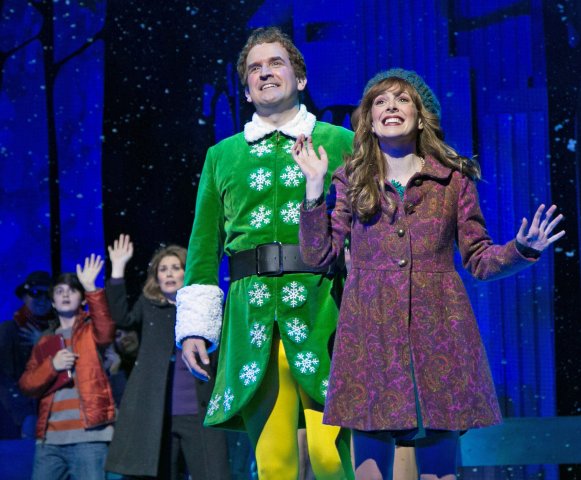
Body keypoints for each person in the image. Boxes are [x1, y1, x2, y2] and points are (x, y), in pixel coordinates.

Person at [292, 68, 565, 479]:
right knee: (370, 465)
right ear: (369, 121)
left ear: (421, 118)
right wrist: (314, 189)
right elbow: (318, 256)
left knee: (439, 468)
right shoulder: (352, 179)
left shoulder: (452, 179)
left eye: (402, 99)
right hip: (370, 333)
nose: (391, 107)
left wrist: (521, 250)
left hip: (439, 330)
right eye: (380, 101)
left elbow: (478, 258)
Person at [176, 27, 354, 479]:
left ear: (300, 78)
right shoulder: (222, 156)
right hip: (251, 317)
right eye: (255, 68)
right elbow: (203, 246)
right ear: (246, 89)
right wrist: (195, 328)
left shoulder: (341, 142)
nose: (265, 73)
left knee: (332, 456)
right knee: (274, 463)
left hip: (324, 311)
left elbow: (366, 228)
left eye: (276, 63)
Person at [104, 234, 230, 480]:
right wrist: (117, 268)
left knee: (212, 473)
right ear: (156, 277)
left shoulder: (203, 309)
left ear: (187, 272)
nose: (169, 273)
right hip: (160, 416)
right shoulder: (149, 306)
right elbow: (122, 318)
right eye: (163, 269)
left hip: (201, 412)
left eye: (175, 267)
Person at [18, 255, 116, 480]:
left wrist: (91, 288)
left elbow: (106, 330)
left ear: (82, 300)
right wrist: (52, 365)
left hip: (89, 436)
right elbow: (26, 384)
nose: (65, 295)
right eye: (59, 291)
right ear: (52, 302)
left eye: (71, 291)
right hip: (50, 440)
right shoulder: (45, 341)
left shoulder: (91, 331)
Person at [0, 271, 55, 438]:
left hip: (54, 411)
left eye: (48, 294)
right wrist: (24, 413)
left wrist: (44, 343)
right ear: (24, 296)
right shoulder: (9, 330)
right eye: (35, 293)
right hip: (16, 414)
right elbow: (4, 378)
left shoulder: (60, 329)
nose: (42, 299)